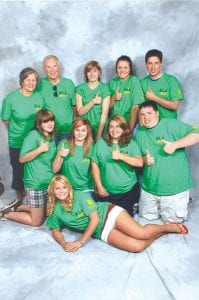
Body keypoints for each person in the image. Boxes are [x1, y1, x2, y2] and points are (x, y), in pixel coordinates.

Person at [46, 175, 189, 253]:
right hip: (100, 231)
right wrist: (64, 243)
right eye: (57, 188)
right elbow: (55, 230)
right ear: (53, 191)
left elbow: (94, 219)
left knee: (142, 234)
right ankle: (160, 233)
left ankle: (168, 227)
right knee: (137, 247)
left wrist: (81, 241)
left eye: (64, 187)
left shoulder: (80, 196)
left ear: (69, 187)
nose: (61, 191)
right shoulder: (55, 209)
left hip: (108, 213)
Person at [135, 100, 199, 223]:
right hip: (149, 189)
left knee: (173, 223)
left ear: (157, 113)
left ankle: (183, 200)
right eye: (142, 114)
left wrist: (175, 145)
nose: (145, 117)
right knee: (146, 219)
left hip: (173, 189)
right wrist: (143, 159)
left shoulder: (171, 125)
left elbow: (197, 133)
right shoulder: (140, 133)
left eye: (149, 113)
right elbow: (137, 158)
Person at [0, 109, 56, 226]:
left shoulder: (50, 138)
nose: (50, 123)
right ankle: (5, 213)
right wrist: (39, 149)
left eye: (51, 120)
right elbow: (22, 159)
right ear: (39, 124)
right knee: (36, 222)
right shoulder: (33, 136)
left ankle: (19, 206)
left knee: (49, 212)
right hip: (35, 184)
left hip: (48, 183)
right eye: (46, 121)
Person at [1, 67, 44, 206]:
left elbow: (41, 118)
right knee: (18, 170)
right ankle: (19, 198)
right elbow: (6, 119)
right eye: (28, 80)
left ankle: (35, 197)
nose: (31, 83)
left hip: (36, 141)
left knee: (35, 169)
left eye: (34, 80)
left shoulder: (39, 97)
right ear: (21, 81)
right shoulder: (10, 99)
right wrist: (17, 129)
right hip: (18, 141)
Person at [90, 115, 142, 216]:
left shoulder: (130, 143)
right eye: (111, 126)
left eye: (118, 126)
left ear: (123, 128)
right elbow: (94, 164)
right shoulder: (101, 143)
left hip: (127, 191)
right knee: (106, 221)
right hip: (106, 192)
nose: (114, 130)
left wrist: (121, 156)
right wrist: (99, 186)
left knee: (126, 222)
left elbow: (139, 162)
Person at [37, 55, 76, 143]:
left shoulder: (68, 83)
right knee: (50, 156)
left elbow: (75, 106)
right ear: (44, 69)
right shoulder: (39, 85)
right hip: (48, 132)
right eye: (48, 67)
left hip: (67, 131)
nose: (52, 70)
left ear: (59, 67)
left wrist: (74, 126)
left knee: (65, 155)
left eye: (54, 66)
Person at [52, 117, 94, 192]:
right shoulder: (64, 144)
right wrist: (60, 155)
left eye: (83, 130)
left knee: (89, 204)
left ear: (88, 132)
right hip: (67, 189)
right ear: (73, 131)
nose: (80, 133)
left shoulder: (92, 147)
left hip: (86, 189)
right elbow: (55, 170)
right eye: (77, 130)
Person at [141, 49, 183, 119]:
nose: (153, 67)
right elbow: (139, 109)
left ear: (161, 63)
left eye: (156, 63)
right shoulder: (142, 83)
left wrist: (154, 98)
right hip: (150, 127)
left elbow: (175, 106)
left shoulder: (171, 80)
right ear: (146, 64)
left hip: (169, 126)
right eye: (150, 63)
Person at [76, 60, 110, 141]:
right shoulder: (80, 88)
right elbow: (80, 112)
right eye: (89, 71)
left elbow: (104, 114)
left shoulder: (104, 88)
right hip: (85, 128)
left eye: (95, 71)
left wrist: (99, 135)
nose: (92, 74)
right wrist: (93, 102)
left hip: (100, 127)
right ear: (86, 73)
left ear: (99, 72)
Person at [109, 55, 144, 132]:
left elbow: (135, 108)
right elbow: (108, 107)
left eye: (125, 67)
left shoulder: (134, 81)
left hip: (128, 124)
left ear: (130, 69)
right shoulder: (112, 82)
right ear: (116, 69)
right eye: (119, 68)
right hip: (114, 125)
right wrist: (113, 98)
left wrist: (129, 130)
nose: (122, 70)